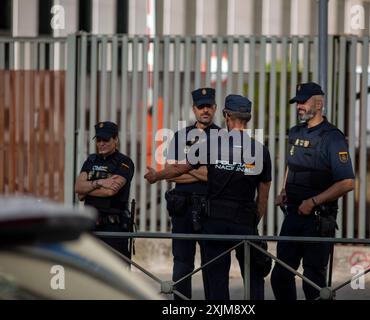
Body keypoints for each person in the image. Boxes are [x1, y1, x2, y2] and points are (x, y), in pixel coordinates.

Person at [145, 94, 272, 300]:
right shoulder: (260, 151)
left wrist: (156, 176)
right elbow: (263, 195)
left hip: (215, 224)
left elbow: (178, 168)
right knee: (254, 277)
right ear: (247, 117)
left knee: (216, 281)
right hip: (245, 222)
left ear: (226, 115)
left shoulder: (212, 144)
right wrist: (252, 221)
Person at [270, 82, 355, 300]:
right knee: (280, 275)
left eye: (303, 101)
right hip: (293, 215)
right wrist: (283, 190)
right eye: (297, 102)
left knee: (313, 282)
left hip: (317, 219)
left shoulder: (332, 137)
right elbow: (291, 164)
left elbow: (347, 182)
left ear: (319, 103)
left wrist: (313, 202)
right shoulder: (295, 131)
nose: (299, 106)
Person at [165, 87, 220, 300]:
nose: (205, 110)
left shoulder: (223, 138)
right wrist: (203, 170)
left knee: (212, 265)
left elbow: (217, 177)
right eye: (200, 106)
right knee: (181, 264)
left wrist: (185, 167)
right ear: (194, 109)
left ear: (215, 108)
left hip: (211, 209)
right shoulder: (181, 137)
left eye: (208, 106)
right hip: (183, 209)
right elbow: (170, 174)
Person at [75, 121, 135, 259]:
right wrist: (100, 182)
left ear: (115, 140)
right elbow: (78, 189)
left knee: (115, 271)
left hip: (113, 229)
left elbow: (110, 191)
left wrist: (87, 189)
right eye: (99, 140)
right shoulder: (91, 160)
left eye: (106, 140)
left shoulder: (124, 162)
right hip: (91, 226)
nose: (101, 143)